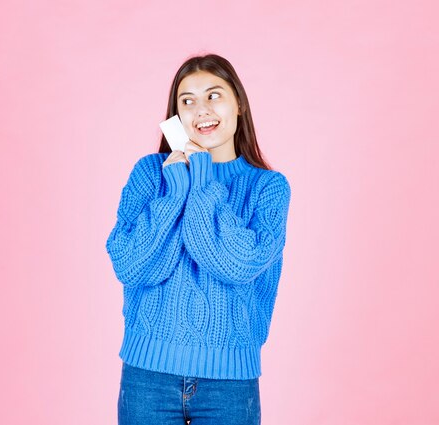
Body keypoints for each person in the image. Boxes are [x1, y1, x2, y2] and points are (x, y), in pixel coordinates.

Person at [105, 53, 291, 425]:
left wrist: (202, 182)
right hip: (148, 376)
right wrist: (175, 192)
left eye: (214, 95)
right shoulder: (150, 173)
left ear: (238, 103)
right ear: (176, 116)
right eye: (187, 100)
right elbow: (130, 266)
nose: (200, 109)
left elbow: (236, 266)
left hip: (230, 383)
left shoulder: (269, 187)